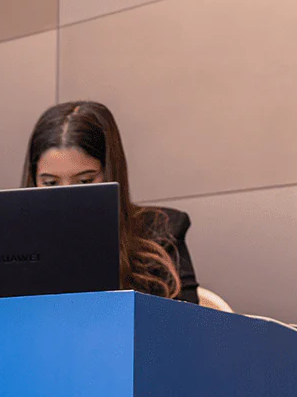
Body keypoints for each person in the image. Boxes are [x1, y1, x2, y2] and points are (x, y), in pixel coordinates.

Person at [22, 101, 198, 302]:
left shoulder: (162, 231)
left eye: (85, 181)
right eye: (51, 183)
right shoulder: (13, 243)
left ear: (111, 172)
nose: (66, 198)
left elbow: (189, 326)